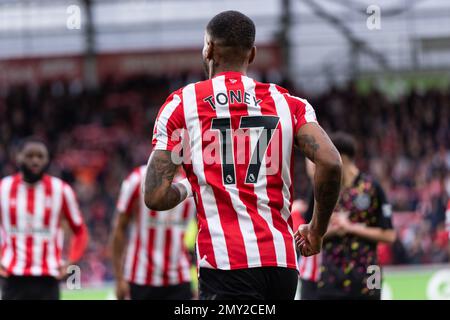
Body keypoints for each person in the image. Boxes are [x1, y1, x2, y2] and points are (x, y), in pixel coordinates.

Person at [143, 10, 342, 300]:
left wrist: (190, 185)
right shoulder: (288, 103)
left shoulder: (182, 105)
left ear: (209, 48)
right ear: (252, 55)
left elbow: (155, 196)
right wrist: (317, 229)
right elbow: (331, 161)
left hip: (226, 265)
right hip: (281, 264)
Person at [0, 138, 88, 300]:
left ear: (47, 160)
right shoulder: (3, 188)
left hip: (48, 279)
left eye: (40, 156)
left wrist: (71, 261)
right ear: (19, 157)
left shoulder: (61, 190)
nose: (35, 160)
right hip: (13, 277)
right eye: (30, 156)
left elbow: (80, 230)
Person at [317, 132, 396, 300]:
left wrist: (350, 228)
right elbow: (308, 236)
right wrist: (333, 229)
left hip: (370, 273)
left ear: (341, 158)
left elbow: (389, 235)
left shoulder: (372, 187)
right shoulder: (324, 190)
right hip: (331, 275)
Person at [111, 166, 195, 300]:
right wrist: (119, 278)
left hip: (180, 279)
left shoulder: (193, 182)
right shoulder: (137, 179)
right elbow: (119, 228)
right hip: (140, 278)